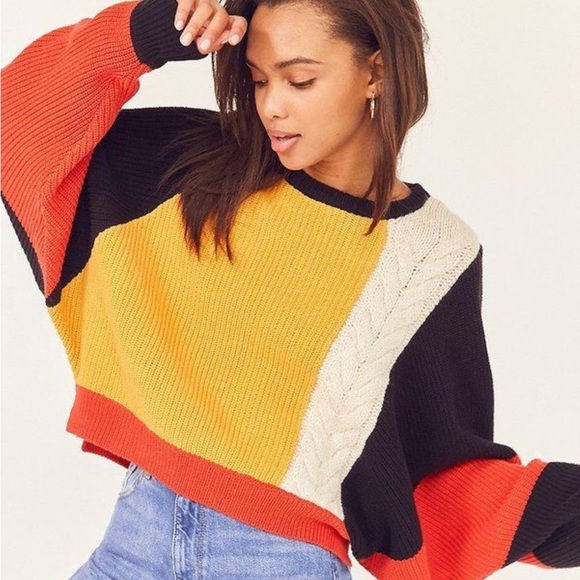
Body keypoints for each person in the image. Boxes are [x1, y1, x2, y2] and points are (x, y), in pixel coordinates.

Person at [1, 0, 579, 578]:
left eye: (299, 80)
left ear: (376, 72)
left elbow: (437, 469)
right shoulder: (194, 172)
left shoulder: (431, 254)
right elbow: (16, 125)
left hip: (279, 562)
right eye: (258, 80)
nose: (271, 106)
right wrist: (145, 34)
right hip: (131, 543)